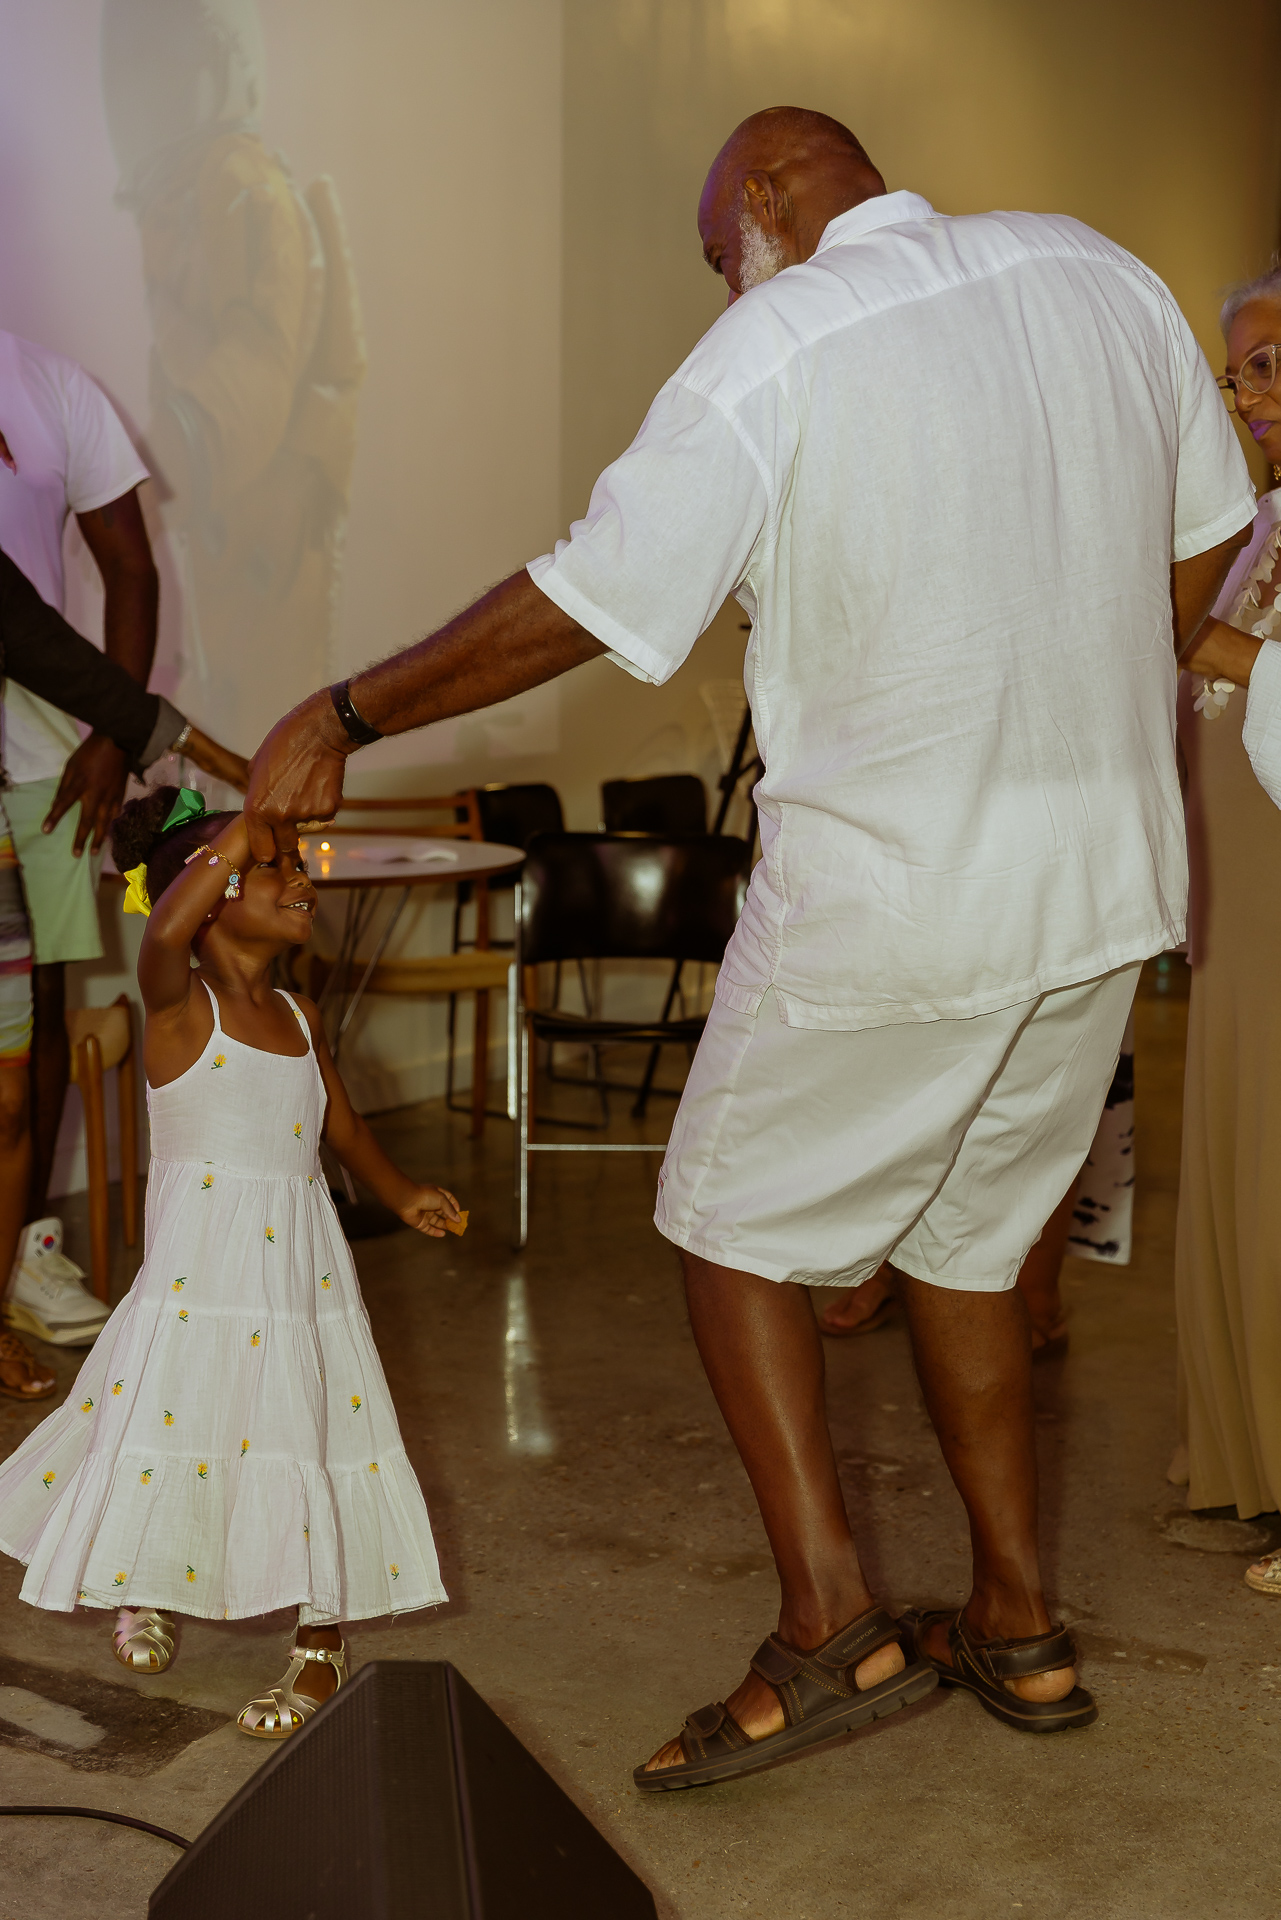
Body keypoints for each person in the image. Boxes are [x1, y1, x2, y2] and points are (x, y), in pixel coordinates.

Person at [241, 107, 1259, 1784]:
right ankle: (1017, 1622)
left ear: (772, 200)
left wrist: (345, 713)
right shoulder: (1095, 272)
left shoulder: (778, 343)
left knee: (724, 1223)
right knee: (969, 1247)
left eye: (723, 251)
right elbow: (1211, 524)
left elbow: (590, 597)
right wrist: (1081, 690)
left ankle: (829, 1622)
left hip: (898, 896)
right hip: (1104, 886)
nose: (727, 284)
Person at [0, 785, 459, 1737]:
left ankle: (322, 1637)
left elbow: (338, 1123)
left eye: (296, 863)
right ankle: (150, 1581)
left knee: (306, 1431)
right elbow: (163, 934)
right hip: (197, 1280)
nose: (301, 879)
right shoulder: (177, 1006)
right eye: (271, 866)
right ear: (208, 900)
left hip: (298, 1276)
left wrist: (399, 1190)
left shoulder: (300, 1013)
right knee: (177, 1423)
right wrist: (244, 829)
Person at [0, 337, 248, 1357]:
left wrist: (121, 735)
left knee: (28, 1021)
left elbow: (72, 595)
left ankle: (19, 1254)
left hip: (42, 752)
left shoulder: (49, 383)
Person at [1173, 265, 1281, 1597]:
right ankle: (1252, 1449)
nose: (1248, 393)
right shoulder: (1261, 525)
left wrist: (1226, 653)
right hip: (1240, 896)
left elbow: (1226, 658)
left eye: (1271, 362)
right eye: (1237, 371)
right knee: (1248, 1151)